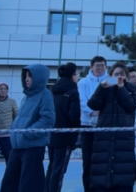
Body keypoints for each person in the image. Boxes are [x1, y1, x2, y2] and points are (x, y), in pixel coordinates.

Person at [0, 64, 55, 192]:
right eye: (25, 76)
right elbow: (21, 118)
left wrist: (27, 133)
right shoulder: (27, 96)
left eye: (30, 76)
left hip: (32, 146)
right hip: (18, 146)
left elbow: (47, 120)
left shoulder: (45, 95)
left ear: (39, 78)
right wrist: (14, 130)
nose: (27, 79)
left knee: (30, 184)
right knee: (9, 182)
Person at [88, 61, 136, 192]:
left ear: (126, 76)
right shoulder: (105, 88)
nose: (119, 77)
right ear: (110, 76)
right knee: (101, 172)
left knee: (122, 172)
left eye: (122, 74)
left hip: (124, 138)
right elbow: (92, 104)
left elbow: (131, 106)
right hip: (104, 137)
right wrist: (102, 87)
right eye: (116, 74)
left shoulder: (131, 88)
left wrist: (121, 88)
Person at [44, 62, 81, 192]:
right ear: (72, 76)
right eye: (76, 74)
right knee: (59, 169)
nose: (78, 76)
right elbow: (74, 116)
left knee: (52, 166)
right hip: (65, 136)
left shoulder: (53, 91)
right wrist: (76, 130)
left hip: (52, 134)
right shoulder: (73, 92)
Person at [77, 56, 108, 192]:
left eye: (102, 65)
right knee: (88, 160)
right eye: (97, 65)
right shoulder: (83, 82)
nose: (100, 68)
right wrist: (92, 112)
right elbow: (82, 101)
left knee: (104, 160)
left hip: (105, 125)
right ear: (91, 67)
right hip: (87, 126)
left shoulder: (111, 80)